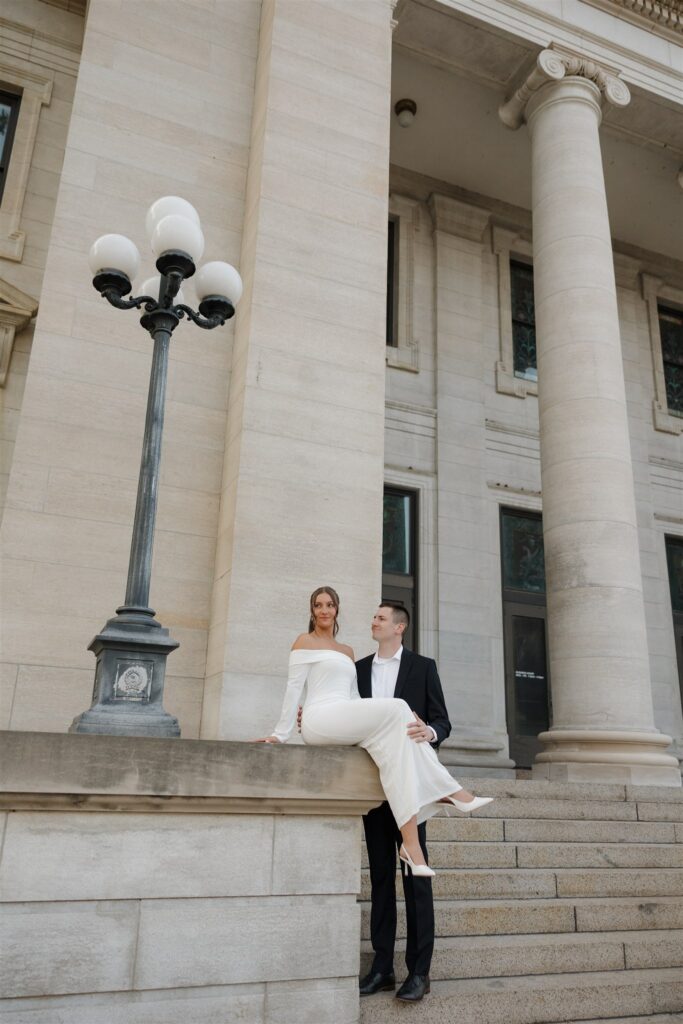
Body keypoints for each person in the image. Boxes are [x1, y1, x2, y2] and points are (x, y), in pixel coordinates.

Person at [254, 587, 493, 1003]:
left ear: (398, 627)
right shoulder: (355, 666)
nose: (374, 622)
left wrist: (430, 732)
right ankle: (382, 967)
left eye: (381, 617)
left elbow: (442, 720)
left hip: (409, 786)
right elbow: (340, 709)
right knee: (381, 877)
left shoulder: (423, 667)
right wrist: (300, 718)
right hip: (372, 785)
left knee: (415, 882)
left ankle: (419, 971)